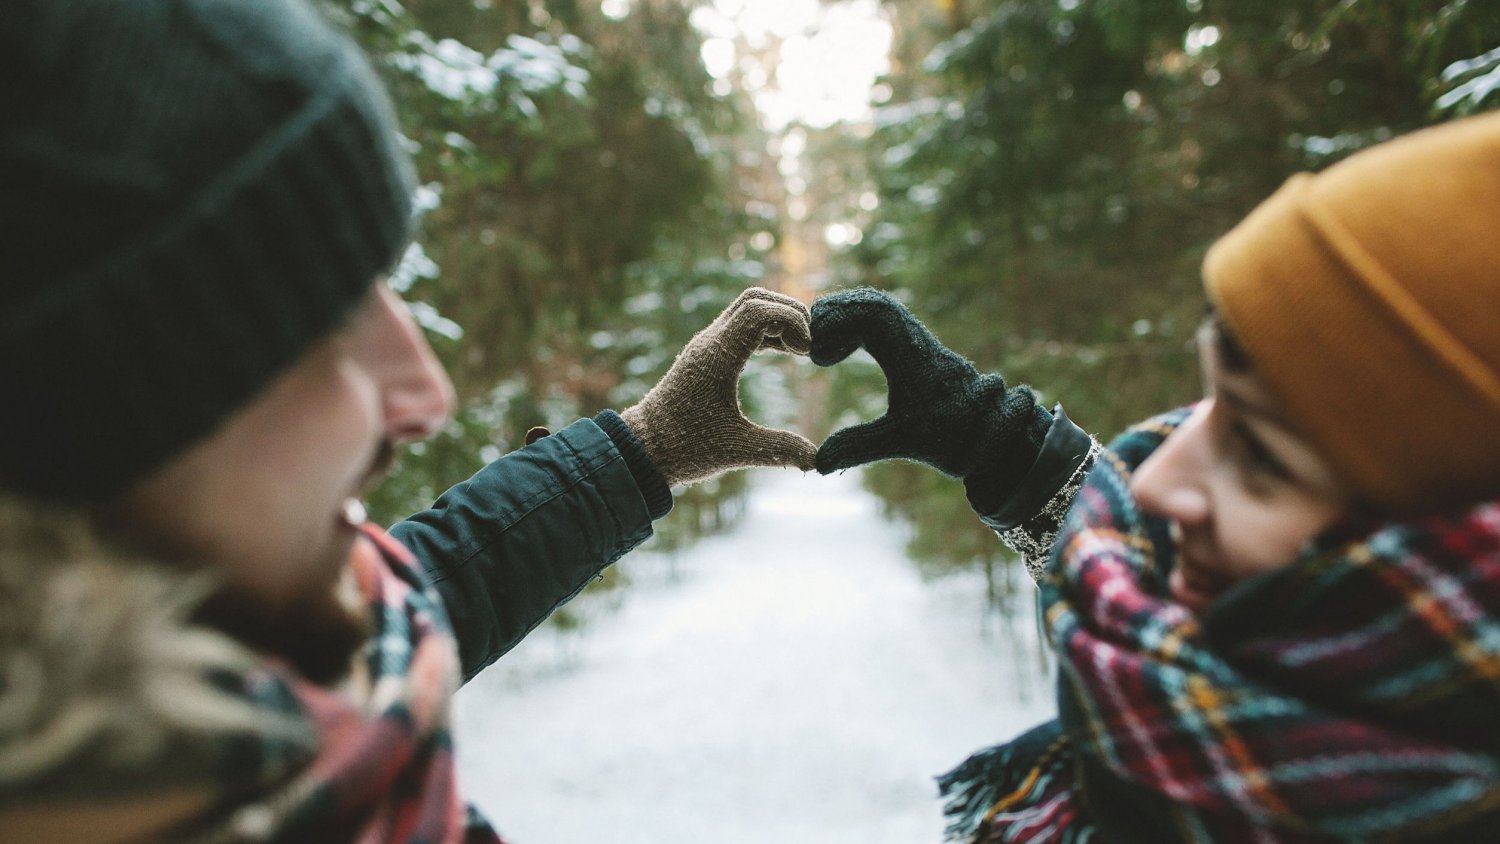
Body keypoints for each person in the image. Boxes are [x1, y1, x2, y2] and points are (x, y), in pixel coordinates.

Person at [0, 0, 816, 841]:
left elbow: (417, 590)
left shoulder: (257, 682)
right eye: (327, 321)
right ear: (85, 420)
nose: (427, 392)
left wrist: (644, 449)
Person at [807, 108, 1500, 841]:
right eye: (1210, 406)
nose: (1155, 484)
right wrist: (998, 443)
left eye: (1261, 455)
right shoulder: (1225, 734)